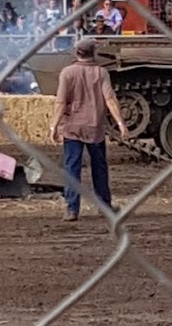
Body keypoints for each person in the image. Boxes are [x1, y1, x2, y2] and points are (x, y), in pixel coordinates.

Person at [49, 37, 128, 222]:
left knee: (72, 167)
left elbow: (60, 101)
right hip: (95, 127)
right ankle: (104, 206)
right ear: (94, 53)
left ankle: (71, 208)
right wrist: (121, 123)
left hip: (72, 128)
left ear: (77, 52)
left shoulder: (67, 73)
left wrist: (54, 125)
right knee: (99, 167)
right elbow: (110, 98)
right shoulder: (101, 73)